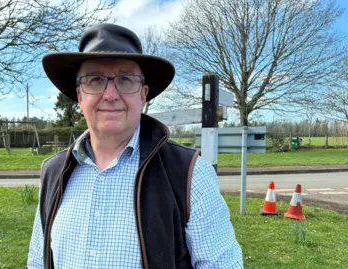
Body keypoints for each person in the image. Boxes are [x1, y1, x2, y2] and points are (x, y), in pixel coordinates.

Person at [27, 23, 243, 269]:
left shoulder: (190, 174)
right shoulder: (53, 173)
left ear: (143, 94)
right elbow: (37, 261)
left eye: (126, 79)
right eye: (95, 80)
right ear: (79, 96)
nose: (110, 94)